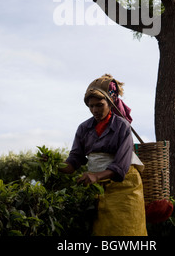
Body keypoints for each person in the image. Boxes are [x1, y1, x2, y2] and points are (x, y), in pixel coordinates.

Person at [60, 74, 148, 236]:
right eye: (91, 106)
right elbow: (74, 160)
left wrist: (95, 176)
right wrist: (55, 165)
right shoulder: (84, 128)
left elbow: (122, 165)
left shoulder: (122, 126)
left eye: (99, 105)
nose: (95, 110)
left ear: (111, 103)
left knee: (126, 232)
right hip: (100, 189)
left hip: (125, 187)